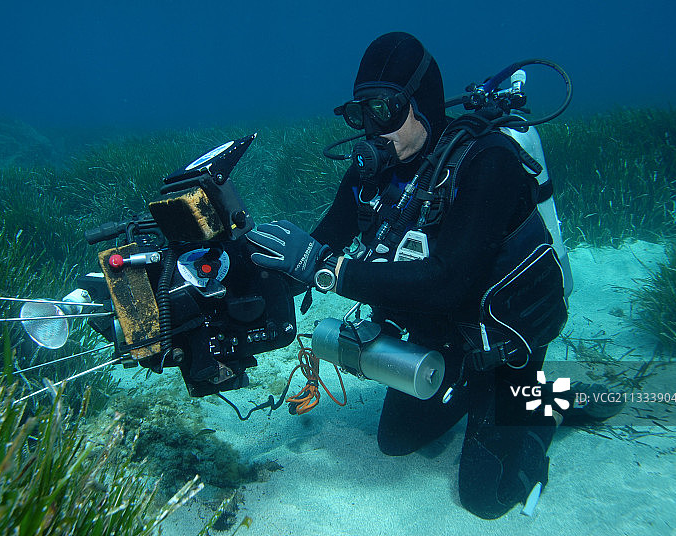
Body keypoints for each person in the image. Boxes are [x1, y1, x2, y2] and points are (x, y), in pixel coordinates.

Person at [246, 32, 610, 519]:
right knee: (396, 441)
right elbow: (319, 248)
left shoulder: (487, 162)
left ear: (423, 103)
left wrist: (327, 269)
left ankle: (548, 397)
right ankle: (483, 398)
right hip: (442, 343)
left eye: (387, 111)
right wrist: (236, 275)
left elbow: (447, 281)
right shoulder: (369, 173)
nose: (375, 130)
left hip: (502, 343)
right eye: (363, 114)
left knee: (488, 494)